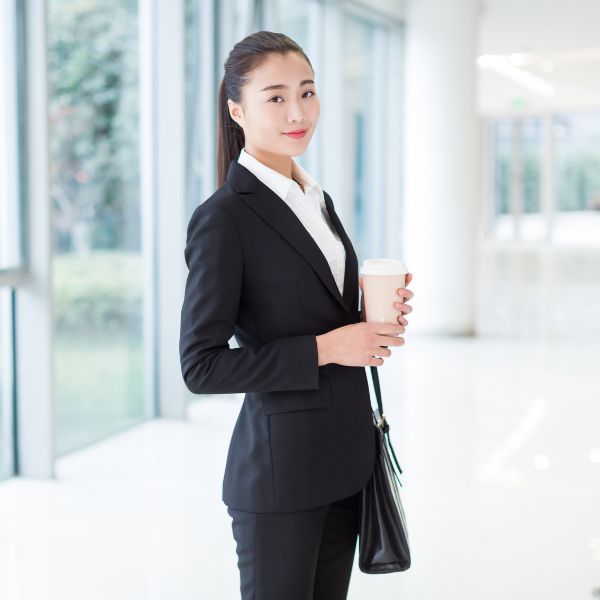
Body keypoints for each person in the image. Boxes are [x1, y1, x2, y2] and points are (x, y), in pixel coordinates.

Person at [179, 30, 414, 600]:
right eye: (276, 97)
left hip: (342, 463)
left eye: (307, 93)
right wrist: (330, 347)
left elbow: (308, 309)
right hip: (280, 481)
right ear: (237, 110)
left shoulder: (315, 199)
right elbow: (202, 367)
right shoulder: (224, 218)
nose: (298, 112)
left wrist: (369, 316)